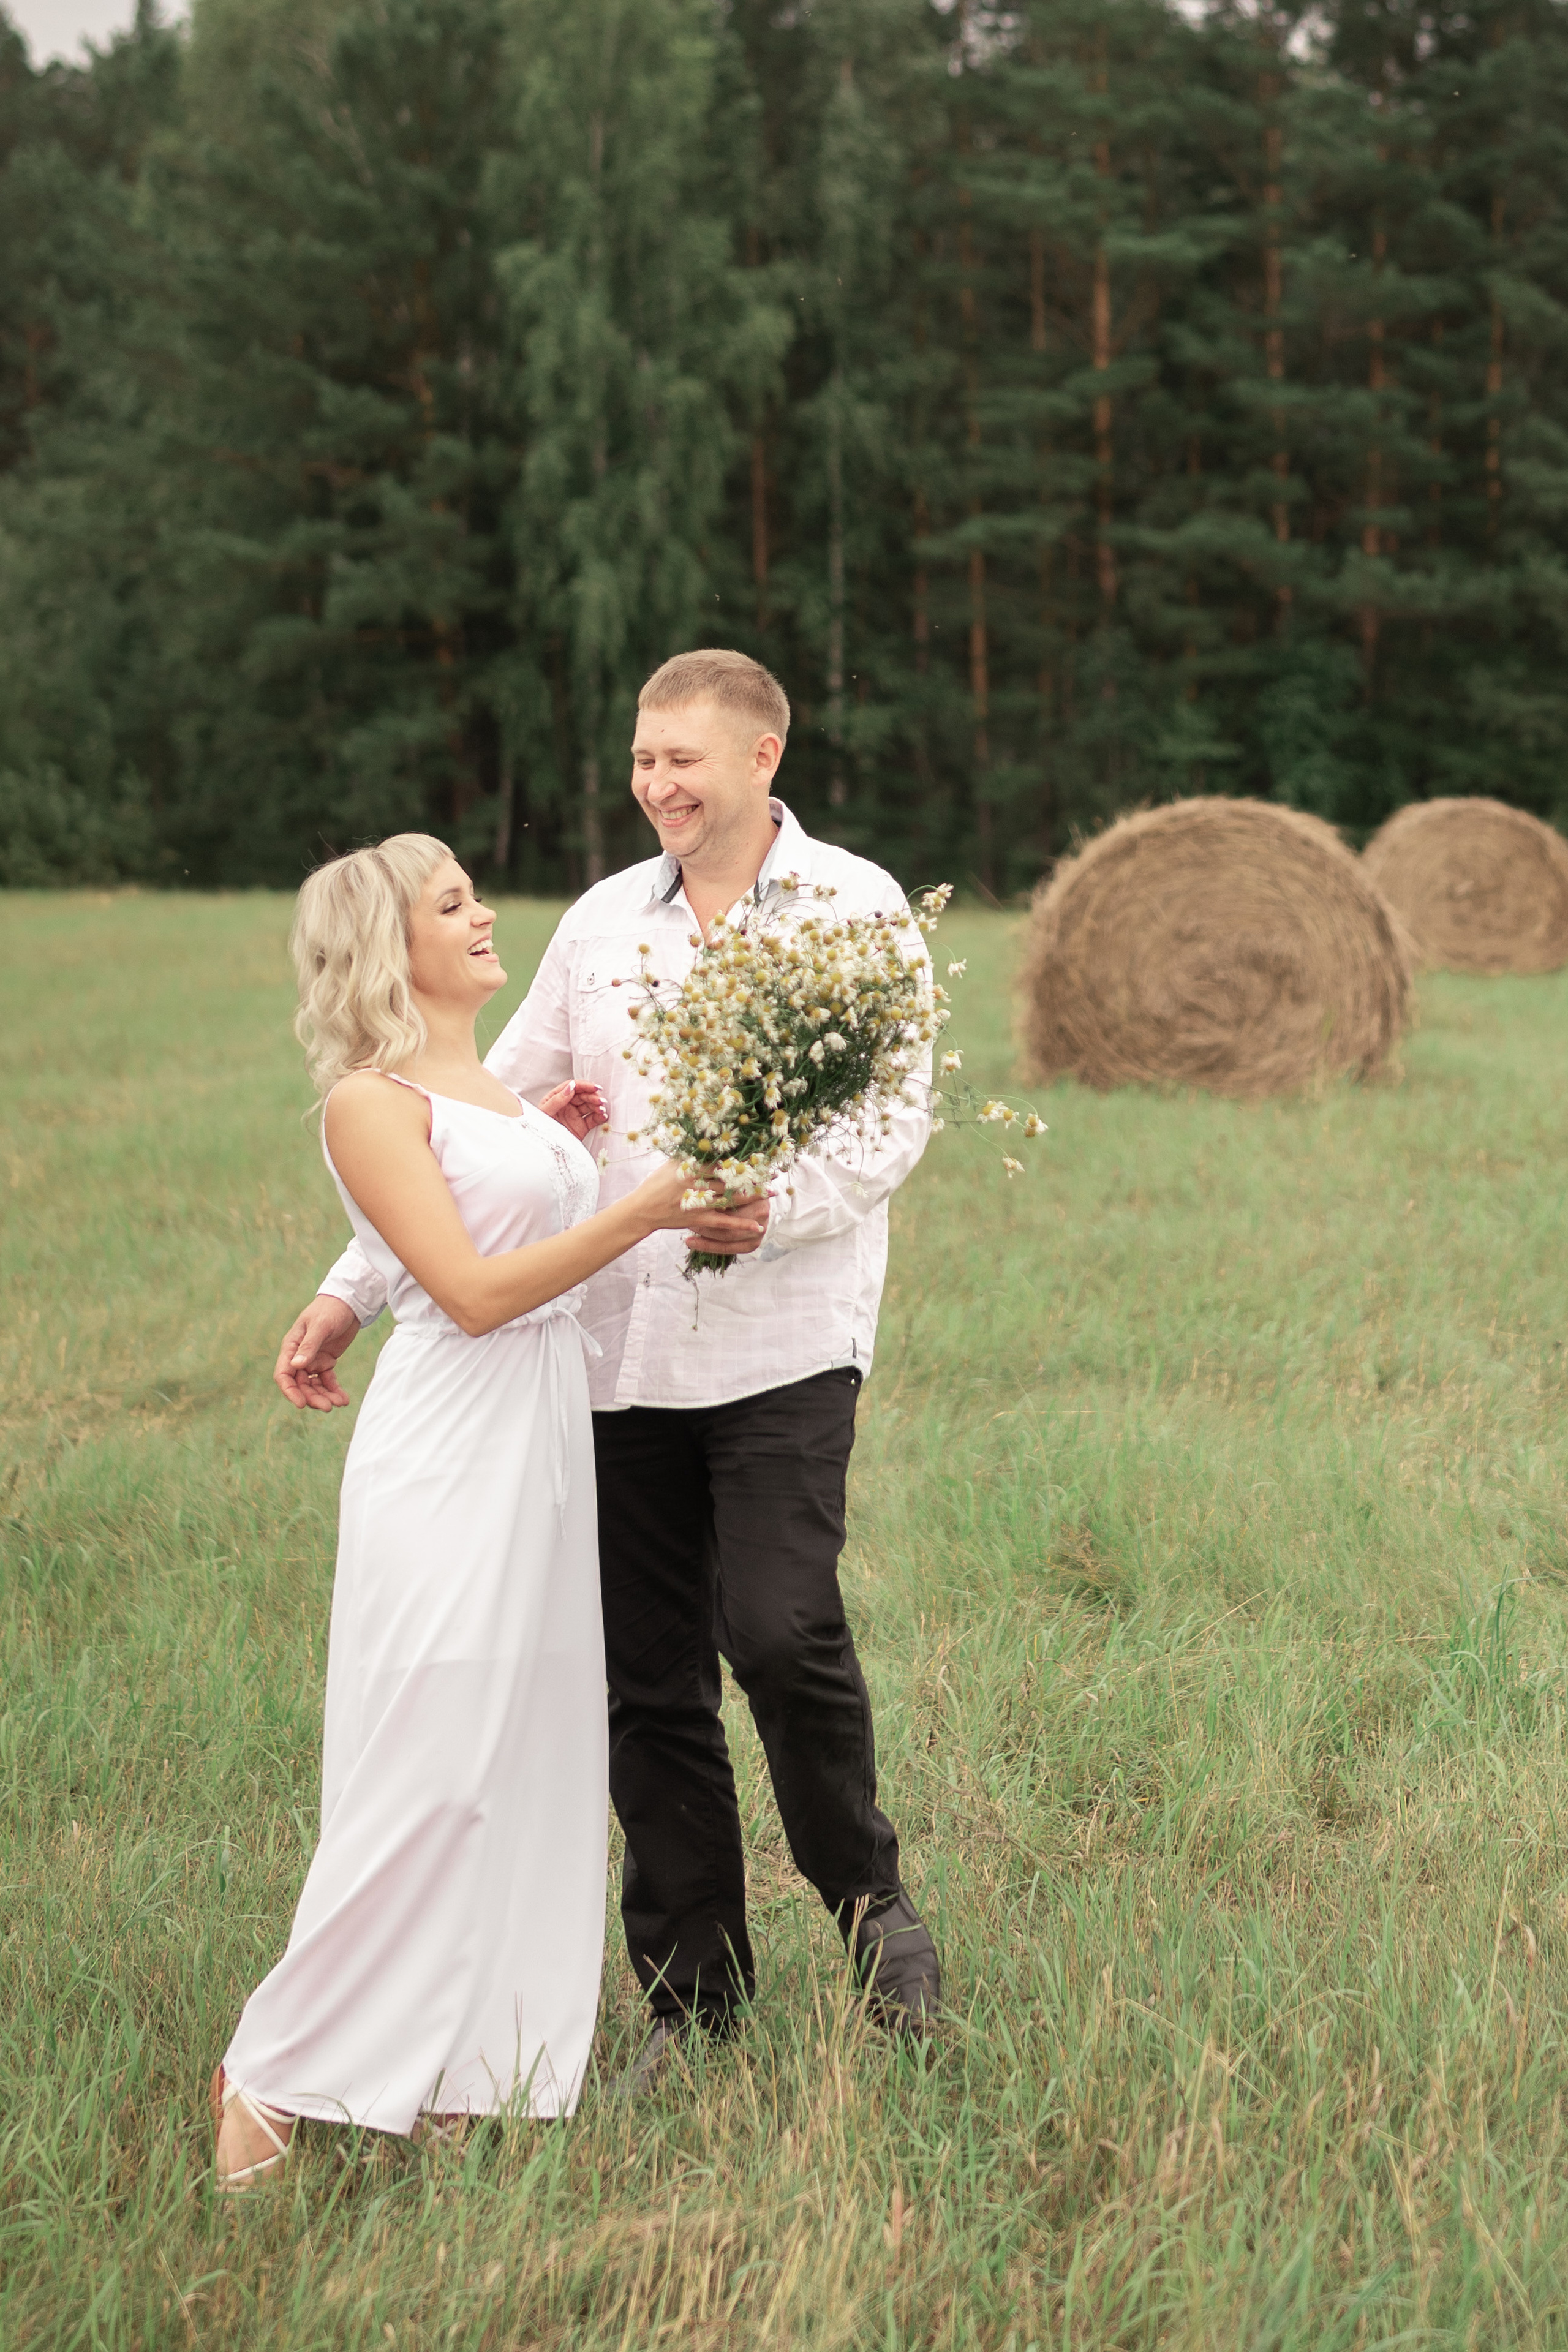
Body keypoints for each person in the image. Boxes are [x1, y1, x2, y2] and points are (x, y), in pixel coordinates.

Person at [274, 651, 941, 2098]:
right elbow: (463, 1111)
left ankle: (873, 1911)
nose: (656, 785)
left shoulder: (859, 908)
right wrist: (348, 1288)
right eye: (643, 761)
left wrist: (775, 1206)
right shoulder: (596, 926)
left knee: (778, 1631)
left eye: (682, 760)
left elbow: (892, 1123)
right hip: (604, 1358)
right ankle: (691, 2000)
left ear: (762, 756)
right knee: (647, 1683)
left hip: (781, 1343)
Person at [211, 832, 723, 2190]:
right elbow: (474, 1291)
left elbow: (474, 1218)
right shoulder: (367, 1103)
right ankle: (272, 2073)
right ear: (395, 949)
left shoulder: (490, 1091)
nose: (486, 914)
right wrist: (645, 1208)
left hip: (540, 1443)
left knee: (524, 1762)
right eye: (453, 904)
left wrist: (552, 1142)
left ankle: (468, 2076)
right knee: (429, 1768)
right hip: (448, 1447)